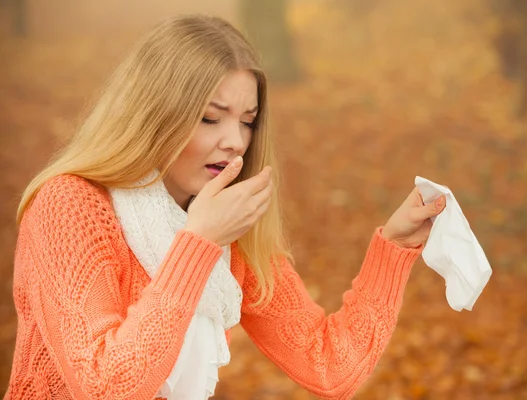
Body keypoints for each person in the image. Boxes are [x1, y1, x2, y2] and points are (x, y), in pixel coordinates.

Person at [4, 14, 446, 400]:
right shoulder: (69, 206)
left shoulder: (226, 227)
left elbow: (329, 367)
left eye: (248, 121)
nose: (235, 140)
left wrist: (392, 249)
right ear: (155, 114)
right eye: (210, 118)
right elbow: (104, 389)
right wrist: (197, 244)